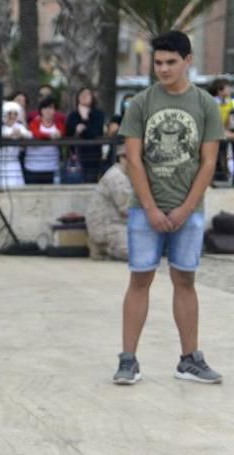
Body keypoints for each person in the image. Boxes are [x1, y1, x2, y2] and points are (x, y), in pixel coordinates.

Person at [114, 30, 224, 386]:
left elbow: (208, 163)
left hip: (187, 210)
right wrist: (150, 209)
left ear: (187, 61)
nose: (163, 69)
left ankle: (189, 359)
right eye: (158, 62)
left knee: (185, 280)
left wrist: (185, 209)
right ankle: (128, 359)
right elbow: (134, 159)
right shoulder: (141, 103)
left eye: (170, 62)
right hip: (144, 210)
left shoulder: (206, 105)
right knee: (140, 279)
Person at [86, 152, 132, 261]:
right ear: (122, 158)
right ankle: (105, 248)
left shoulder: (121, 173)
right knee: (143, 253)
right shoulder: (118, 177)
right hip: (109, 227)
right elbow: (127, 208)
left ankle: (103, 250)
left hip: (111, 225)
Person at [0, 101, 27, 188]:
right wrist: (9, 136)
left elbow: (29, 135)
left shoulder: (19, 127)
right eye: (10, 113)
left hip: (12, 164)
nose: (12, 116)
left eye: (15, 114)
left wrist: (21, 134)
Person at [66, 87, 105, 183]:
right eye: (82, 95)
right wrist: (78, 130)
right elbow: (69, 133)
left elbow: (95, 133)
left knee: (91, 181)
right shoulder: (73, 115)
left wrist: (85, 118)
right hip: (77, 155)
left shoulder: (98, 114)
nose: (84, 97)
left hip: (93, 155)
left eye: (87, 94)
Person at [24, 96, 65, 184]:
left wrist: (59, 135)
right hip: (33, 167)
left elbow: (62, 133)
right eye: (45, 108)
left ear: (55, 111)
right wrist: (49, 136)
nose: (48, 111)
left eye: (51, 108)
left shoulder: (59, 124)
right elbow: (35, 134)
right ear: (41, 110)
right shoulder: (34, 123)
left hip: (51, 167)